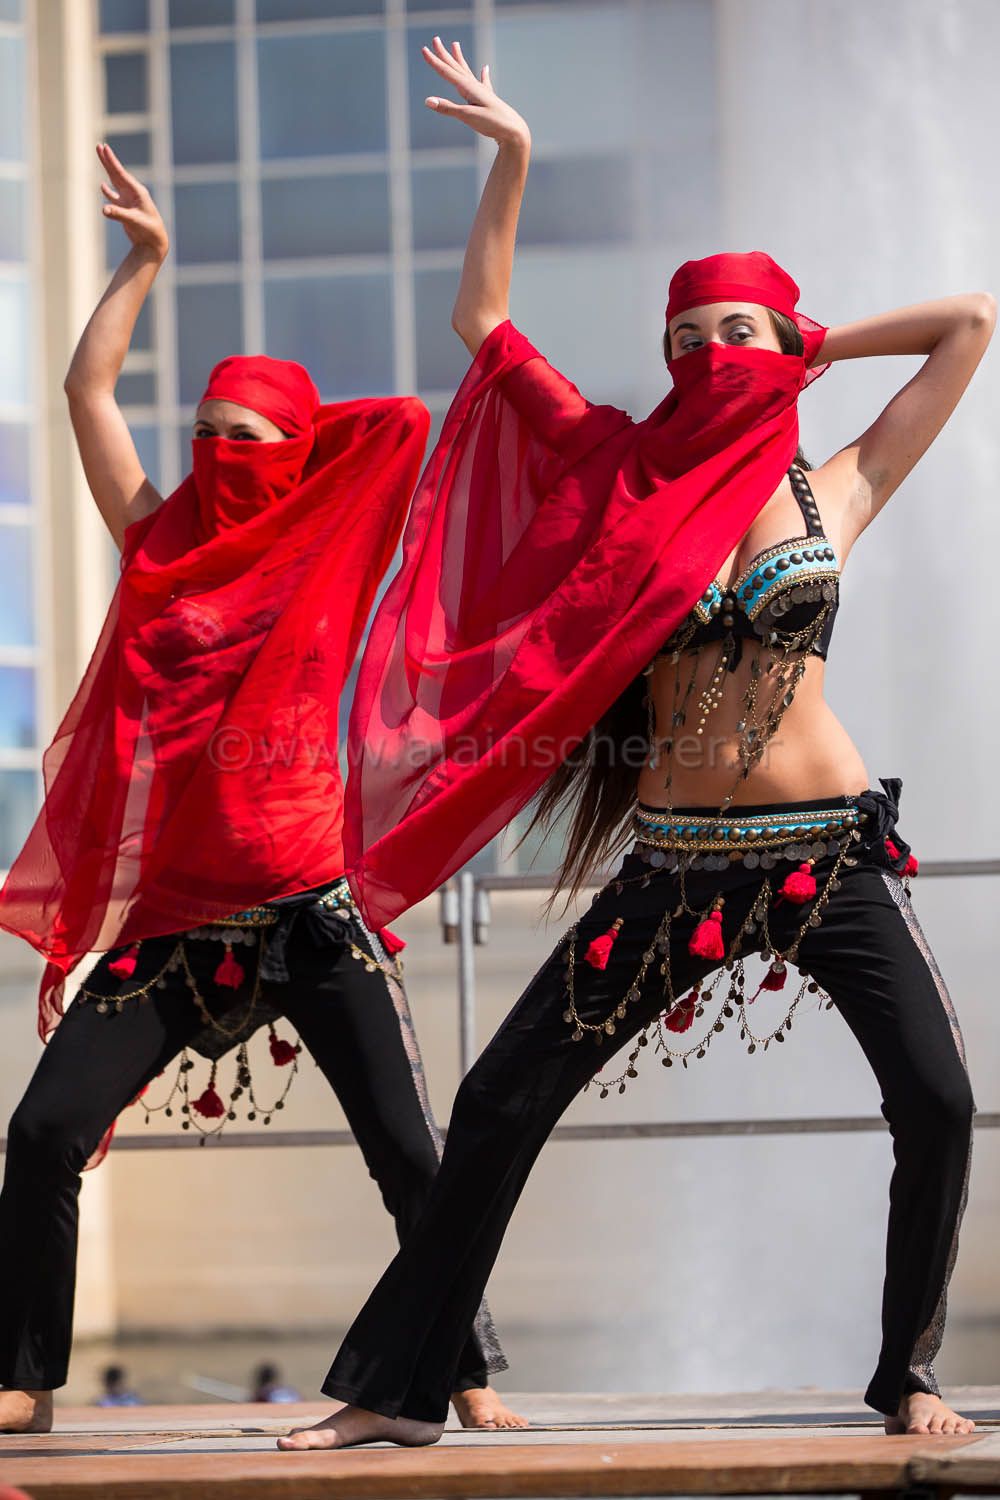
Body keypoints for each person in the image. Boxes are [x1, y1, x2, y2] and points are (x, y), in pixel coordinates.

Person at [276, 39, 994, 1453]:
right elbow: (484, 320)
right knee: (500, 1099)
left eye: (738, 334)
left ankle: (907, 1374)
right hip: (677, 866)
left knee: (939, 1097)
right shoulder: (613, 472)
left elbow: (970, 320)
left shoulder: (834, 487)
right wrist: (515, 158)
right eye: (686, 339)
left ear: (782, 345)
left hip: (826, 854)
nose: (709, 357)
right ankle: (398, 1394)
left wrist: (814, 345)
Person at [0, 143, 523, 1437]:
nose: (220, 453)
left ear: (294, 453)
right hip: (178, 918)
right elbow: (84, 390)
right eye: (206, 434)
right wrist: (145, 260)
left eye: (248, 439)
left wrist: (300, 451)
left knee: (409, 1153)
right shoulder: (160, 538)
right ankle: (25, 1378)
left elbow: (398, 422)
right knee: (45, 1132)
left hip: (308, 907)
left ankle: (462, 1370)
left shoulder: (337, 533)